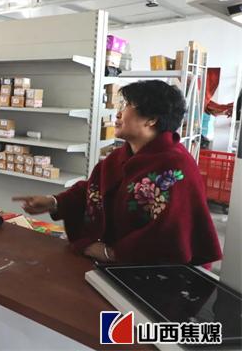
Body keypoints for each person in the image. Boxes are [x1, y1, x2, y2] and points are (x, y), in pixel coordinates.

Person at [13, 80, 222, 265]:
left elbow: (170, 233)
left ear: (151, 119)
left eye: (128, 106)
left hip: (154, 274)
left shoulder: (175, 167)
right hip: (115, 265)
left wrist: (112, 253)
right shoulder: (121, 155)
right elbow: (93, 189)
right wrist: (54, 202)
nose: (119, 113)